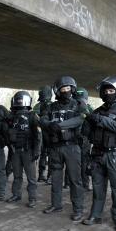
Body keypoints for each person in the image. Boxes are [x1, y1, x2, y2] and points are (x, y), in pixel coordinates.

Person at [82, 77, 116, 231]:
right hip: (98, 154)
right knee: (98, 188)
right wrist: (87, 118)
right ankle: (95, 215)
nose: (107, 93)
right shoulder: (97, 111)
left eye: (111, 90)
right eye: (105, 91)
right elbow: (87, 133)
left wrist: (100, 120)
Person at [41, 76, 88, 220]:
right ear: (58, 91)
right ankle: (56, 205)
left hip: (72, 147)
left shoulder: (79, 104)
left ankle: (78, 209)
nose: (66, 91)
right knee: (55, 177)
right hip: (55, 147)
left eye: (68, 88)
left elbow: (81, 119)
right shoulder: (51, 107)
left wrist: (58, 126)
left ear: (72, 89)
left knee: (75, 179)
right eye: (63, 89)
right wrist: (49, 125)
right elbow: (42, 119)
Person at [6, 91, 42, 208]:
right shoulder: (12, 116)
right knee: (17, 176)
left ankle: (32, 198)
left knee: (31, 178)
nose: (19, 102)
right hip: (16, 151)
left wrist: (37, 151)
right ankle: (16, 195)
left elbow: (38, 135)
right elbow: (8, 133)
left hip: (28, 151)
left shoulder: (32, 116)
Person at [34, 86, 53, 183]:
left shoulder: (37, 106)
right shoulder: (53, 105)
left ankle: (41, 175)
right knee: (51, 155)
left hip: (40, 133)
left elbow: (35, 119)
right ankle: (49, 177)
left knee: (42, 154)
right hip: (50, 133)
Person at [75, 87, 93, 191]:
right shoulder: (88, 108)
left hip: (76, 138)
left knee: (73, 161)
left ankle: (69, 183)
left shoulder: (71, 106)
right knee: (84, 161)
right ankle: (85, 183)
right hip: (84, 139)